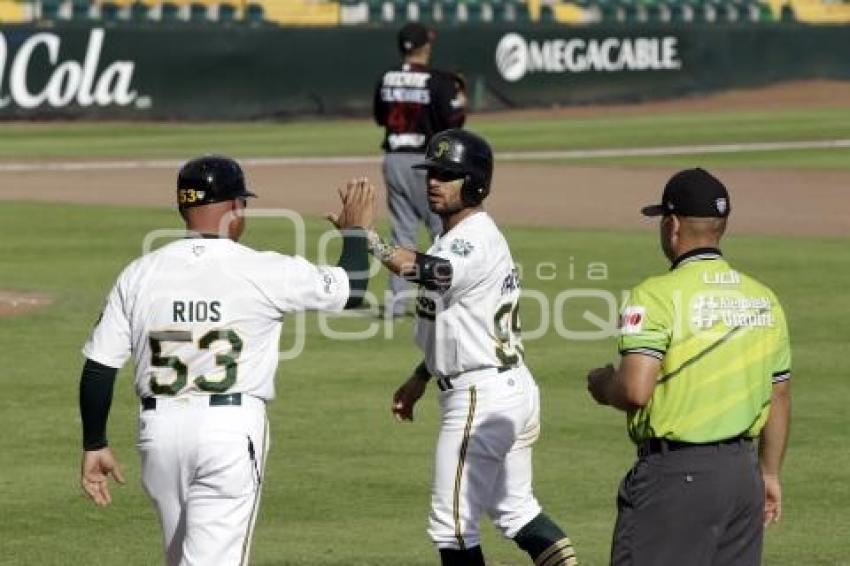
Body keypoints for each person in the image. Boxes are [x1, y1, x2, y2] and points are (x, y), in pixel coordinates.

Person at [77, 155, 375, 565]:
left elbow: (99, 367)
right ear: (235, 208)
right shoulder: (264, 269)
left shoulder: (139, 273)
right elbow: (352, 286)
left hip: (158, 433)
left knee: (181, 557)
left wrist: (94, 442)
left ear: (183, 206)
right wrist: (357, 231)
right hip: (228, 433)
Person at [365, 129, 578, 566]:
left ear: (476, 183)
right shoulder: (458, 238)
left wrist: (367, 237)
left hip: (480, 397)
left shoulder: (471, 239)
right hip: (505, 386)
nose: (433, 181)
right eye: (432, 172)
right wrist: (421, 375)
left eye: (448, 174)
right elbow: (459, 321)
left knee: (452, 526)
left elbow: (434, 275)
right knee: (516, 512)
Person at [586, 168, 792, 566]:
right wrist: (768, 474)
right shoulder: (764, 299)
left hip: (675, 478)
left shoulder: (656, 295)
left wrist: (604, 384)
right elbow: (778, 394)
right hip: (742, 476)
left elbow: (634, 390)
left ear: (672, 225)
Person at [373, 22, 467, 318]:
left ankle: (396, 305)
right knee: (441, 233)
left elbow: (379, 117)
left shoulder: (387, 77)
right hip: (427, 162)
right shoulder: (439, 80)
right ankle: (441, 299)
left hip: (393, 158)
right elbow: (453, 121)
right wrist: (461, 100)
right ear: (427, 46)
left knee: (402, 233)